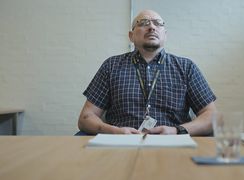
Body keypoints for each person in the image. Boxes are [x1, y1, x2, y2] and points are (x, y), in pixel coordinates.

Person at [78, 10, 217, 136]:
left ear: (165, 35)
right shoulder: (111, 66)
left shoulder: (187, 67)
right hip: (120, 143)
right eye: (143, 23)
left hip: (173, 143)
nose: (152, 27)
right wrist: (114, 131)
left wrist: (177, 130)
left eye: (158, 23)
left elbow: (211, 115)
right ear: (131, 36)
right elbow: (86, 117)